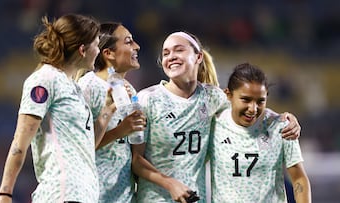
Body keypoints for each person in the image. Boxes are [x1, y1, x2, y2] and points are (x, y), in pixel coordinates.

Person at [131, 31, 301, 203]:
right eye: (166, 53)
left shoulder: (212, 97)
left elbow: (249, 108)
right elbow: (136, 160)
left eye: (178, 50)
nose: (171, 56)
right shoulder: (147, 100)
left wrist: (284, 118)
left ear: (198, 57)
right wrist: (169, 184)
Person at [0, 14, 114, 203]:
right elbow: (20, 140)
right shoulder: (44, 80)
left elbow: (86, 148)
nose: (99, 52)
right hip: (62, 193)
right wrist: (5, 193)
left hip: (85, 195)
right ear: (82, 49)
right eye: (96, 45)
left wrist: (107, 111)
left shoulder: (74, 88)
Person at [209, 63, 311, 202]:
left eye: (260, 101)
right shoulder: (213, 125)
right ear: (228, 95)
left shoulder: (281, 126)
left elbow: (299, 178)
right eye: (246, 99)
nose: (253, 108)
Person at [76, 22, 146, 203]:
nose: (136, 46)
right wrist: (120, 131)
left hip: (124, 196)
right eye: (128, 42)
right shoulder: (88, 87)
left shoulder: (129, 89)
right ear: (108, 53)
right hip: (94, 195)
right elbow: (78, 148)